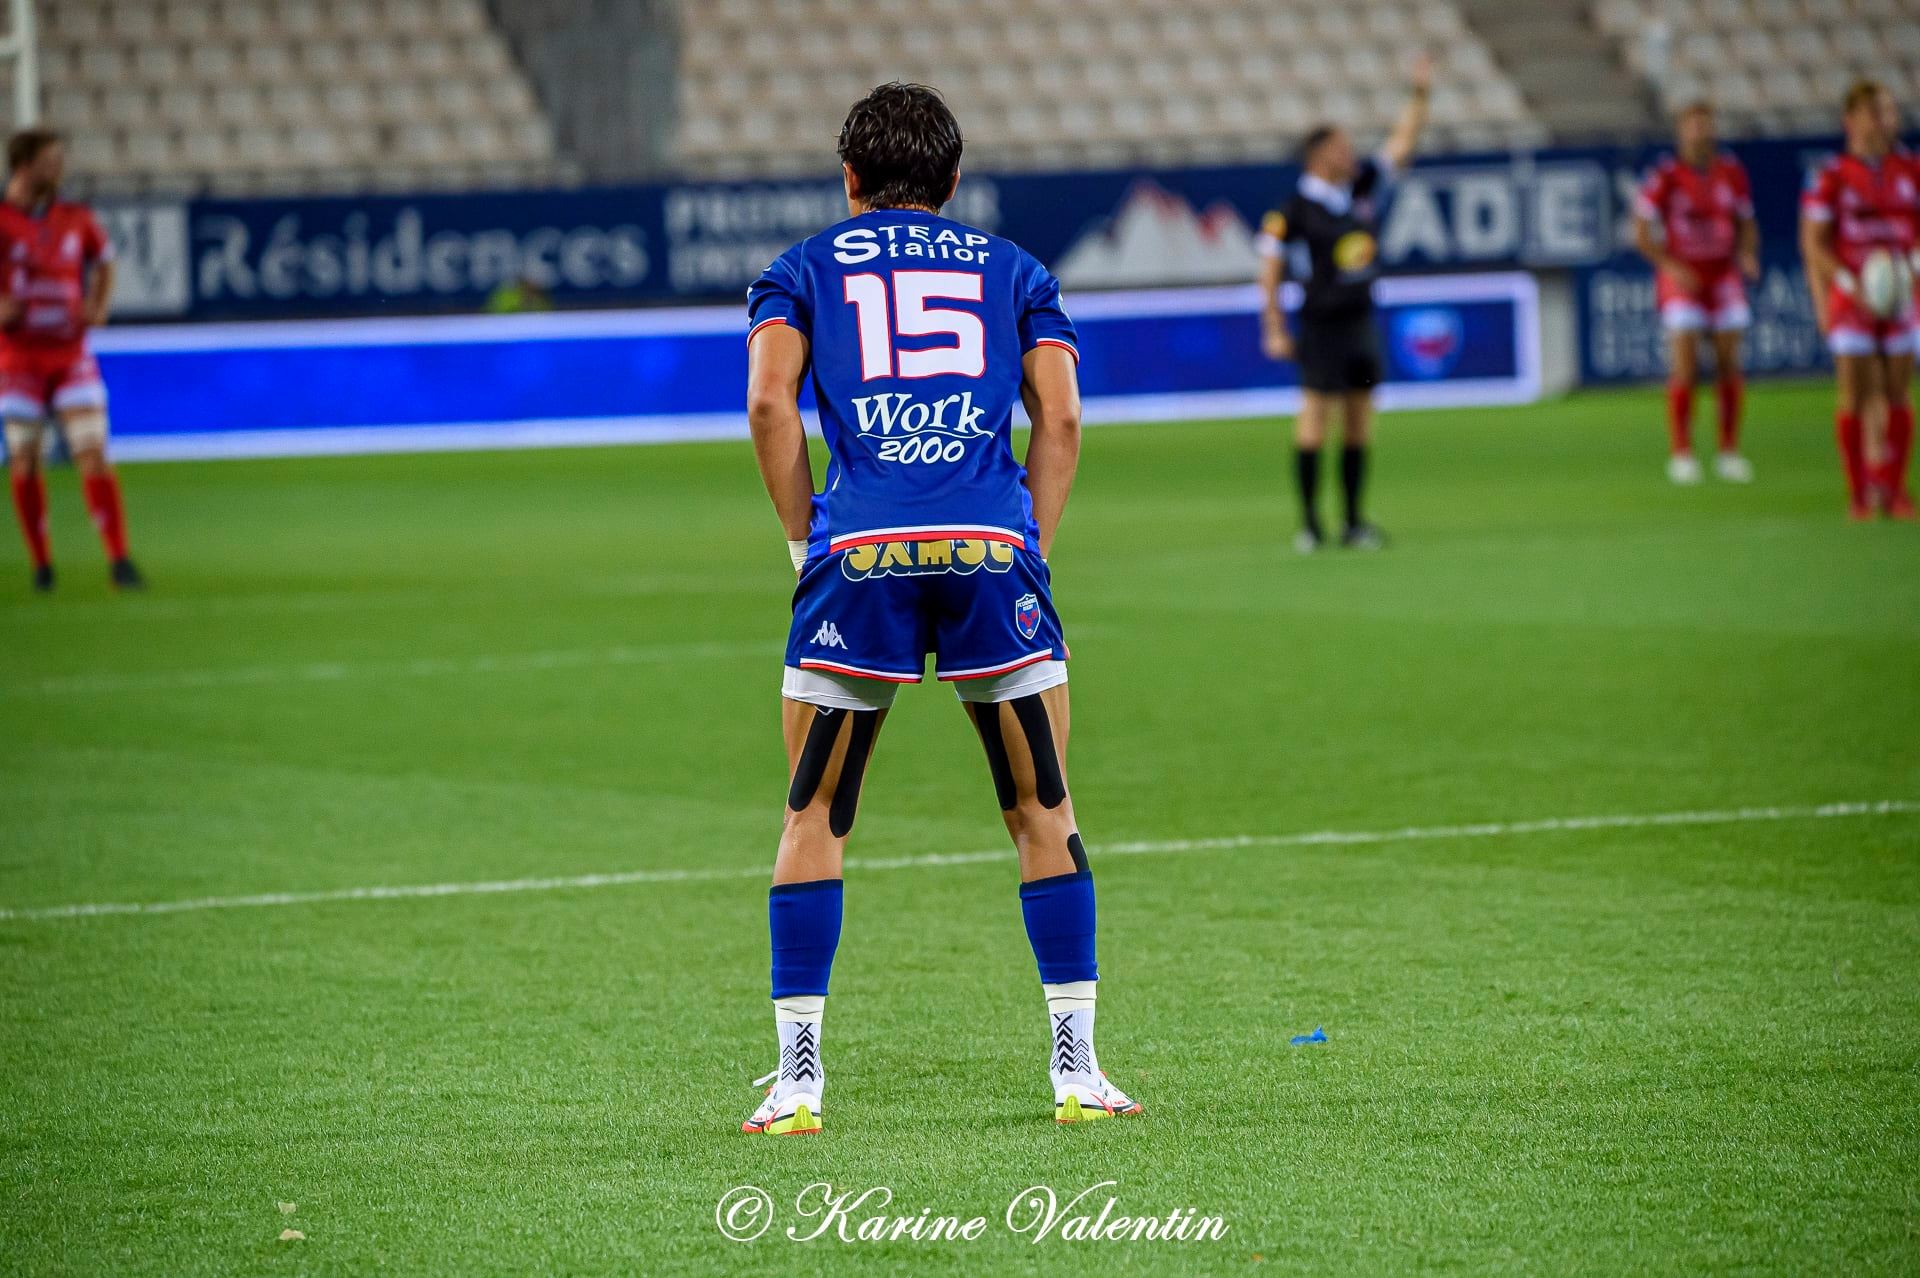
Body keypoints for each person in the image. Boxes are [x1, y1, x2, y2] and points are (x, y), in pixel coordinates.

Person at [738, 83, 1140, 1134]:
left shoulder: (800, 270)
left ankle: (798, 1083)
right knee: (1042, 810)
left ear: (851, 180)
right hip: (988, 551)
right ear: (955, 185)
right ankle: (1076, 1070)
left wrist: (801, 541)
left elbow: (769, 400)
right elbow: (1060, 414)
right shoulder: (1016, 271)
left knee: (813, 814)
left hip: (861, 552)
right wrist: (1028, 553)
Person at [1257, 53, 1431, 553]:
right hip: (1321, 326)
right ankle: (1311, 523)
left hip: (1360, 322)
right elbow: (1268, 267)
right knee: (1315, 419)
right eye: (1341, 147)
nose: (1351, 153)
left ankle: (1354, 521)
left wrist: (1419, 95)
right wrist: (1273, 325)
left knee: (1359, 420)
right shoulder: (1294, 211)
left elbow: (1401, 144)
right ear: (1318, 157)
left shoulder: (1359, 190)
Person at [1, 128, 143, 591]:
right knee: (24, 459)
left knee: (94, 454)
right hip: (18, 357)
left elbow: (106, 260)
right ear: (24, 165)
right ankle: (42, 564)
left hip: (70, 353)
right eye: (50, 160)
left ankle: (119, 559)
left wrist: (98, 306)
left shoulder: (75, 217)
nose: (59, 168)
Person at [1800, 80, 1919, 519]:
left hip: (1902, 291)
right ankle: (1858, 492)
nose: (1884, 120)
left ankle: (1895, 489)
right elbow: (1815, 242)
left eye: (1888, 111)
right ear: (1852, 119)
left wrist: (1911, 269)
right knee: (1853, 394)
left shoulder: (1911, 168)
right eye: (1874, 111)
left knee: (1898, 394)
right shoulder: (1831, 175)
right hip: (1853, 296)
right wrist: (1848, 285)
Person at [1633, 102, 1760, 485]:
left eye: (1706, 125)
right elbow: (1641, 230)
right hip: (1683, 279)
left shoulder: (1731, 173)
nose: (1701, 132)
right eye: (1693, 126)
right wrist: (1669, 266)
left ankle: (1728, 451)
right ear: (1680, 132)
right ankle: (1682, 452)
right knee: (1686, 367)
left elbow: (1746, 223)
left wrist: (1748, 254)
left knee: (1728, 363)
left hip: (1723, 277)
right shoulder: (1666, 176)